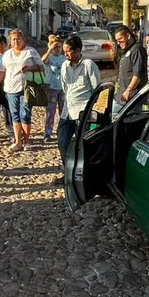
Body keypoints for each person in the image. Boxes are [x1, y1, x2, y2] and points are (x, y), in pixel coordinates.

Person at [55, 34, 101, 184]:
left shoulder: (88, 65)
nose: (65, 54)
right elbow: (65, 87)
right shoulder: (64, 66)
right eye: (64, 51)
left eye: (68, 51)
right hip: (67, 111)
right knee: (63, 142)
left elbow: (97, 90)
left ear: (77, 50)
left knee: (83, 146)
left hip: (83, 113)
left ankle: (84, 176)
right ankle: (68, 173)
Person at [0, 29, 43, 152]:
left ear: (23, 39)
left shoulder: (30, 51)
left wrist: (30, 68)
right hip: (10, 88)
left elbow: (41, 67)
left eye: (18, 38)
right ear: (10, 41)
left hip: (26, 87)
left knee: (25, 114)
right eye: (13, 39)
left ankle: (26, 141)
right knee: (14, 115)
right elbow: (2, 70)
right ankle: (18, 142)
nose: (16, 41)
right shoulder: (7, 54)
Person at [114, 25, 147, 114]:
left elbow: (137, 75)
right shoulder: (126, 52)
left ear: (128, 36)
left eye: (120, 39)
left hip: (131, 99)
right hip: (120, 97)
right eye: (117, 40)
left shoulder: (137, 50)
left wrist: (129, 90)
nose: (118, 43)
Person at [40, 34, 68, 142]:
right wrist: (49, 49)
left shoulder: (64, 58)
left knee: (63, 112)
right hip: (51, 88)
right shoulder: (49, 57)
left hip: (62, 88)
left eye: (59, 47)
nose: (57, 49)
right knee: (50, 112)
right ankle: (47, 133)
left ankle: (62, 132)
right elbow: (43, 60)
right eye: (55, 47)